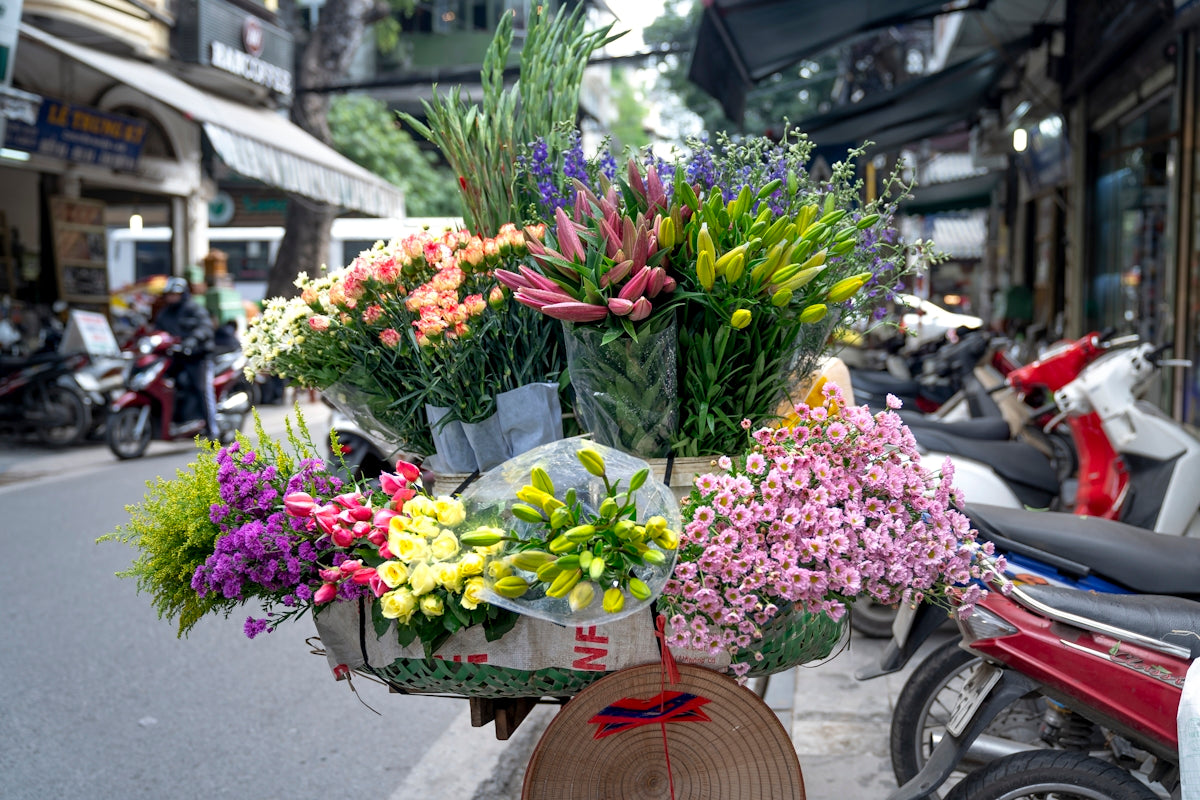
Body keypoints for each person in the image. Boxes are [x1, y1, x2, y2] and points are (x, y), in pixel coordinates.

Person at [153, 276, 216, 434]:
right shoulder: (164, 313)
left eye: (175, 294)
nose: (172, 297)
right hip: (175, 357)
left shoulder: (194, 309)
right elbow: (156, 332)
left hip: (197, 358)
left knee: (202, 389)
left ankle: (213, 429)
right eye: (169, 294)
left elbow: (205, 327)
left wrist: (192, 341)